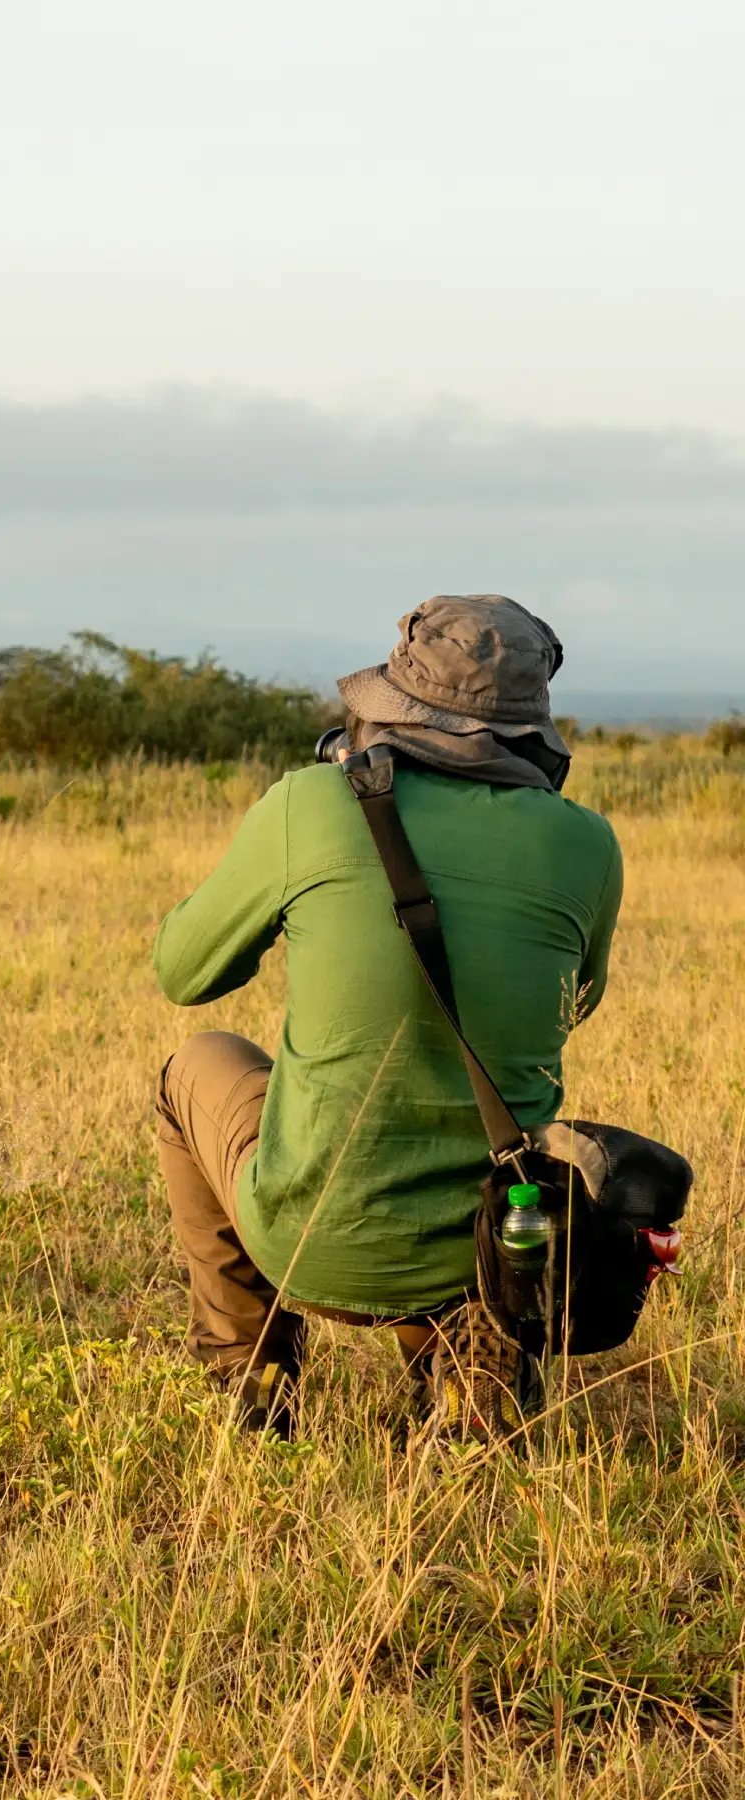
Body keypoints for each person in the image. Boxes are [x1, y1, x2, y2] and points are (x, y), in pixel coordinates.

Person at [153, 595, 622, 1441]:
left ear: (392, 709)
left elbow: (182, 971)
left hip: (308, 1233)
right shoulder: (587, 843)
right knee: (479, 1157)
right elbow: (574, 1006)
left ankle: (252, 1377)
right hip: (496, 1242)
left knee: (198, 1062)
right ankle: (463, 1351)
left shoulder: (310, 804)